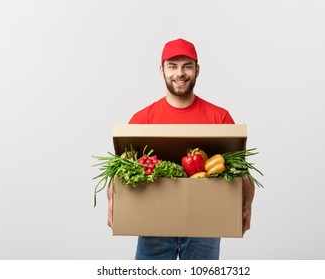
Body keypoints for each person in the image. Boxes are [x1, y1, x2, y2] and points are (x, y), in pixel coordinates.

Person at [107, 38, 255, 260]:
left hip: (205, 227)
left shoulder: (219, 118)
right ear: (162, 70)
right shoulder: (142, 120)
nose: (180, 73)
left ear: (197, 69)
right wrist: (112, 202)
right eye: (173, 66)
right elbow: (121, 171)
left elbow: (241, 171)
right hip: (153, 227)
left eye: (187, 66)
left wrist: (246, 206)